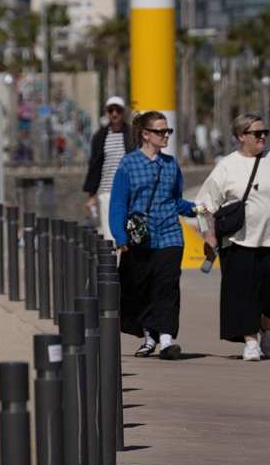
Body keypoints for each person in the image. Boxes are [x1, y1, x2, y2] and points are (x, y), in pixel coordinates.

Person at [110, 111, 198, 360]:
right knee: (142, 288)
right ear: (145, 135)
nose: (166, 135)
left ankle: (167, 340)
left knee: (167, 286)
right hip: (140, 238)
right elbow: (118, 203)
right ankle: (150, 337)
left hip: (170, 235)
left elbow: (175, 201)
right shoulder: (128, 164)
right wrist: (120, 237)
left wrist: (196, 208)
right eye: (160, 131)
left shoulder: (171, 165)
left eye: (167, 131)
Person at [197, 114, 270, 361]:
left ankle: (265, 330)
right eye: (256, 133)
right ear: (241, 137)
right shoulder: (227, 166)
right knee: (244, 295)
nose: (262, 137)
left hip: (269, 241)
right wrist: (208, 234)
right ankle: (251, 341)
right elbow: (202, 204)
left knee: (267, 297)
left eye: (265, 133)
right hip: (239, 242)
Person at [84, 96, 135, 240]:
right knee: (109, 233)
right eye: (111, 110)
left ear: (123, 112)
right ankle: (113, 262)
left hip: (128, 191)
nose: (114, 114)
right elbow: (95, 166)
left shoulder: (132, 135)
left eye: (117, 110)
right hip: (106, 191)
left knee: (128, 232)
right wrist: (91, 195)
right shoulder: (100, 137)